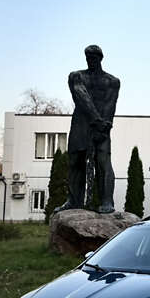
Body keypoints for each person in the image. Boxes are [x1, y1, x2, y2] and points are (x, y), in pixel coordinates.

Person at [56, 45, 120, 214]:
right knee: (75, 161)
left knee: (103, 161)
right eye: (87, 57)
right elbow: (80, 95)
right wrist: (95, 119)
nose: (90, 60)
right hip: (81, 123)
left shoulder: (112, 81)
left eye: (93, 57)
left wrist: (104, 125)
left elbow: (110, 103)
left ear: (100, 58)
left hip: (103, 125)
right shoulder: (76, 76)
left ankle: (107, 201)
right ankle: (73, 200)